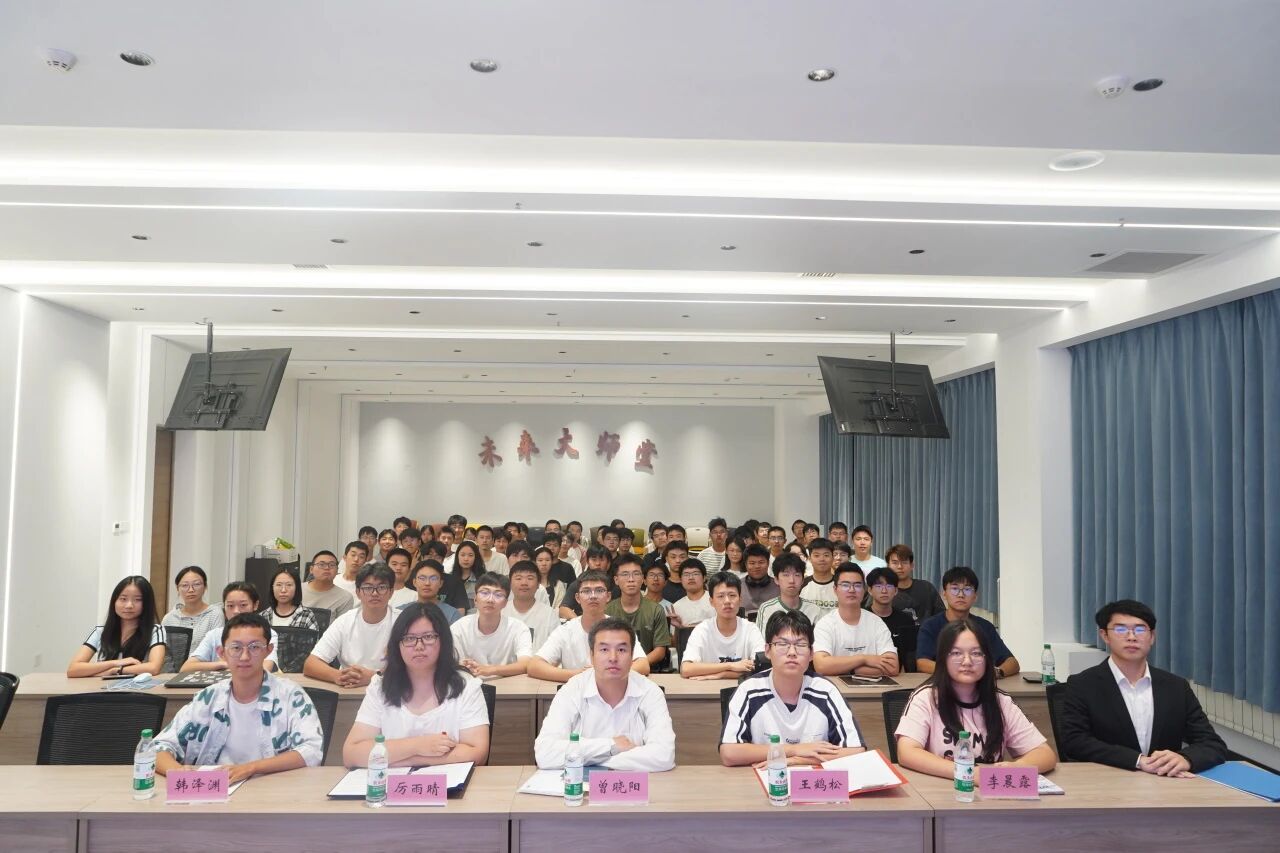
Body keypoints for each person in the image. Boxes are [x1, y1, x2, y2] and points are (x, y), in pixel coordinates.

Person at [1059, 599, 1227, 775]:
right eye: (1120, 629)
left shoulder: (1176, 687)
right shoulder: (1082, 684)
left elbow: (1211, 743)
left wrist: (1186, 758)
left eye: (1140, 630)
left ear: (1152, 637)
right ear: (1105, 635)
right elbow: (1074, 742)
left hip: (1164, 782)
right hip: (1109, 780)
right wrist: (1137, 761)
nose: (1131, 637)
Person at [154, 613, 323, 780]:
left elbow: (312, 750)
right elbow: (158, 747)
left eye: (254, 647)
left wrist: (250, 768)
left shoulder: (291, 695)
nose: (244, 656)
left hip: (272, 788)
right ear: (222, 653)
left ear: (268, 650)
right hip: (214, 790)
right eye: (236, 648)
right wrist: (177, 772)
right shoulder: (208, 698)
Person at [895, 619, 1056, 777]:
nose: (967, 661)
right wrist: (968, 773)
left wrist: (1017, 767)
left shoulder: (1001, 702)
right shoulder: (926, 698)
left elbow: (1045, 754)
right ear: (943, 658)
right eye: (956, 653)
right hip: (941, 788)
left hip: (988, 789)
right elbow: (907, 752)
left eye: (976, 653)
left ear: (987, 659)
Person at [343, 603, 490, 768]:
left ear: (443, 641)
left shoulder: (466, 685)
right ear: (397, 645)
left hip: (448, 784)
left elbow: (477, 753)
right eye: (409, 638)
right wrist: (417, 746)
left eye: (428, 637)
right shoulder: (380, 687)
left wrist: (403, 759)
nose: (419, 646)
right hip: (392, 783)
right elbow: (352, 754)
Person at [720, 610, 863, 766]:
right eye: (782, 644)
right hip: (763, 777)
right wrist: (793, 750)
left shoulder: (826, 691)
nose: (792, 652)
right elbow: (729, 753)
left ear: (811, 653)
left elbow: (856, 751)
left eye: (800, 645)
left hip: (811, 779)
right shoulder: (748, 690)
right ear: (767, 650)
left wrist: (796, 760)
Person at [534, 617, 675, 772]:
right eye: (604, 650)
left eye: (621, 650)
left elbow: (664, 756)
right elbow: (545, 753)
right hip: (582, 786)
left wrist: (591, 760)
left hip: (634, 785)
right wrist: (612, 745)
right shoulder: (572, 690)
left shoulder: (650, 692)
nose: (613, 658)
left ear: (632, 656)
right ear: (592, 656)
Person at [528, 571, 649, 683]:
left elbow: (643, 664)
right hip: (575, 692)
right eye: (586, 591)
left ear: (608, 596)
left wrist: (607, 674)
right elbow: (534, 666)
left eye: (599, 590)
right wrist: (579, 675)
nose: (593, 596)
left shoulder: (621, 629)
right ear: (577, 598)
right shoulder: (565, 631)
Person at [304, 564, 396, 687]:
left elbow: (415, 671)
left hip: (389, 689)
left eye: (382, 587)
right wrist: (338, 676)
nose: (375, 593)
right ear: (358, 592)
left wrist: (374, 678)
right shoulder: (344, 621)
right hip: (349, 688)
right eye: (368, 588)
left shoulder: (403, 622)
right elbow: (311, 664)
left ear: (391, 592)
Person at [916, 566, 1019, 676]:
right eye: (954, 589)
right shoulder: (931, 625)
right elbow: (922, 663)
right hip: (943, 682)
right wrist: (959, 671)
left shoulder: (985, 627)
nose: (961, 595)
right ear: (944, 594)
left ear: (975, 597)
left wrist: (997, 672)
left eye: (967, 589)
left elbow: (1012, 663)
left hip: (979, 684)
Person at [68, 575, 167, 677]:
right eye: (123, 599)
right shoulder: (100, 632)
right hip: (101, 686)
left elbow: (154, 668)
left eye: (138, 600)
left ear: (147, 604)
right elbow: (73, 670)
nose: (129, 605)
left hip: (137, 686)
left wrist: (116, 671)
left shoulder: (155, 631)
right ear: (114, 601)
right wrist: (115, 663)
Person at [813, 562, 899, 677]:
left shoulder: (876, 622)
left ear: (864, 590)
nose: (852, 590)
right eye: (845, 585)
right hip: (836, 687)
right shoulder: (825, 624)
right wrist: (864, 659)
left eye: (857, 585)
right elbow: (821, 666)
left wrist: (850, 670)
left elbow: (892, 667)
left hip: (873, 687)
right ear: (835, 589)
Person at [680, 572, 765, 680]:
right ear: (711, 601)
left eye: (732, 595)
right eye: (720, 596)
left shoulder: (750, 629)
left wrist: (722, 674)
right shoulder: (702, 630)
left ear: (740, 600)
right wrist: (729, 666)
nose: (727, 601)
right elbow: (686, 669)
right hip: (707, 687)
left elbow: (761, 668)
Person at [182, 581, 280, 672]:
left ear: (255, 605)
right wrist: (223, 664)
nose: (236, 611)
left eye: (243, 605)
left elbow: (266, 667)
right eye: (230, 606)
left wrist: (232, 665)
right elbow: (187, 668)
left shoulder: (267, 633)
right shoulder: (214, 635)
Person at [450, 573, 533, 677]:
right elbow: (447, 662)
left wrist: (491, 670)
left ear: (505, 603)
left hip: (506, 683)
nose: (490, 600)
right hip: (468, 683)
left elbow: (526, 664)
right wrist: (463, 666)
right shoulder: (459, 627)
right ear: (475, 599)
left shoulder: (518, 628)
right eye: (484, 593)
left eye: (498, 595)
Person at [606, 552, 673, 671]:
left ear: (642, 579)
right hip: (614, 669)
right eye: (625, 574)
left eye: (636, 574)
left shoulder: (656, 610)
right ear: (616, 580)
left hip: (649, 671)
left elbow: (660, 651)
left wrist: (634, 667)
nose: (631, 579)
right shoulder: (607, 610)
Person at [864, 567, 919, 672]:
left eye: (889, 586)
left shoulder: (906, 620)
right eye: (879, 586)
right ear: (870, 590)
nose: (884, 591)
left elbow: (910, 656)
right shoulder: (862, 618)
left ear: (896, 590)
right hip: (867, 672)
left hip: (897, 674)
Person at [755, 553, 825, 630]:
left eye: (797, 575)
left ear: (802, 580)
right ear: (776, 579)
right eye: (786, 575)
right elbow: (761, 637)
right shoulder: (766, 609)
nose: (792, 580)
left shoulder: (814, 609)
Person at [161, 565, 224, 652]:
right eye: (185, 585)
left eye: (196, 584)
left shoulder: (214, 614)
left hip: (206, 661)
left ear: (205, 586)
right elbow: (165, 652)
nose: (191, 590)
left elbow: (217, 648)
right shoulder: (169, 618)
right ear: (177, 588)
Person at [503, 560, 560, 649]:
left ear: (538, 584)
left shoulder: (549, 615)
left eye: (530, 578)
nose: (524, 583)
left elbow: (557, 647)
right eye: (518, 578)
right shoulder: (500, 611)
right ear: (510, 583)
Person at [888, 544, 943, 619]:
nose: (900, 566)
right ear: (888, 566)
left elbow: (941, 616)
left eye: (904, 562)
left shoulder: (926, 587)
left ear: (912, 565)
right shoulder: (884, 591)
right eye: (895, 563)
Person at [302, 549, 356, 619]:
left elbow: (342, 625)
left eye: (332, 565)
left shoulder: (345, 598)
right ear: (311, 569)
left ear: (337, 570)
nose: (327, 568)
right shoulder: (297, 590)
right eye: (321, 564)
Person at [404, 559, 461, 624]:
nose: (427, 583)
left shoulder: (452, 614)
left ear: (441, 583)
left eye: (433, 578)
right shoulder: (401, 611)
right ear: (414, 582)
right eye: (422, 578)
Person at [799, 538, 838, 621]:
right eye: (816, 555)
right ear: (809, 559)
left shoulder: (841, 583)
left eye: (826, 555)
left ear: (833, 558)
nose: (822, 559)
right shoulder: (802, 584)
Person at [670, 558, 716, 628]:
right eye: (686, 574)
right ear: (680, 580)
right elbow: (674, 635)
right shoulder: (676, 607)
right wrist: (680, 628)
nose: (691, 577)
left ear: (704, 578)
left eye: (695, 574)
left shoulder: (716, 600)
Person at [739, 542, 780, 616]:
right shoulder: (738, 586)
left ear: (768, 563)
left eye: (761, 562)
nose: (757, 566)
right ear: (745, 565)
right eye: (752, 563)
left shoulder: (779, 586)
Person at [449, 540, 486, 609]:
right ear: (457, 556)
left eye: (470, 555)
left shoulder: (483, 579)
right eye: (462, 555)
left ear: (476, 557)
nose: (466, 559)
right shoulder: (449, 578)